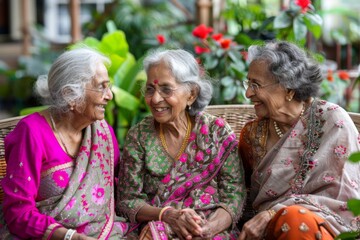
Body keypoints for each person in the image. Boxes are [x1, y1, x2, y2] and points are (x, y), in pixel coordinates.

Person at [0, 48, 129, 239]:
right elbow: (19, 212)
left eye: (108, 86)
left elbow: (118, 192)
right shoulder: (31, 132)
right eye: (101, 87)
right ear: (70, 95)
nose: (109, 95)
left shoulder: (102, 132)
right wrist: (69, 236)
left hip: (103, 232)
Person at [116, 49, 246, 239]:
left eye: (166, 89)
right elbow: (128, 200)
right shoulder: (139, 136)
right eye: (150, 89)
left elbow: (234, 196)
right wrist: (166, 215)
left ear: (191, 94)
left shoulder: (216, 132)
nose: (155, 99)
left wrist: (204, 231)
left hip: (211, 228)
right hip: (157, 228)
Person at [238, 40, 360, 240]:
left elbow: (344, 195)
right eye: (248, 83)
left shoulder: (333, 121)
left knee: (295, 218)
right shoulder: (252, 134)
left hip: (323, 228)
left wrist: (274, 212)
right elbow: (241, 194)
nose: (248, 93)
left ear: (288, 89)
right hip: (267, 234)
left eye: (256, 85)